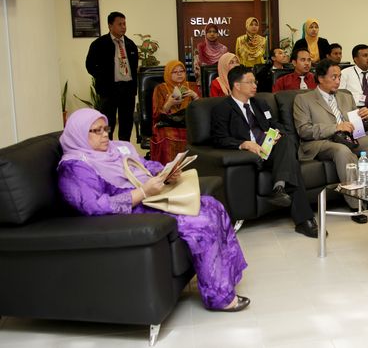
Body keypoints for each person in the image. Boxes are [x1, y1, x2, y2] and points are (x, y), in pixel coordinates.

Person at [57, 108, 250, 312]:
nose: (105, 134)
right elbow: (94, 206)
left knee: (212, 204)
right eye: (97, 130)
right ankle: (219, 297)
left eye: (106, 128)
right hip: (130, 211)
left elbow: (145, 165)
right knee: (201, 220)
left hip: (151, 198)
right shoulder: (74, 167)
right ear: (79, 133)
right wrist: (142, 192)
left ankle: (224, 281)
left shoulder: (118, 148)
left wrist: (165, 173)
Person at [210, 66, 320, 238]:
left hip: (270, 150)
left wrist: (277, 133)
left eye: (255, 82)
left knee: (286, 141)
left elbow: (275, 124)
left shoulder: (260, 104)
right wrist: (244, 144)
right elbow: (219, 138)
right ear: (237, 85)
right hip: (249, 155)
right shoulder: (222, 109)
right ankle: (304, 218)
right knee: (291, 163)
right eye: (250, 82)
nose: (255, 85)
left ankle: (280, 188)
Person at [293, 59, 368, 224]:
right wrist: (336, 127)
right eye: (333, 77)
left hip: (350, 138)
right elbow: (304, 130)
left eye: (339, 77)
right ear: (320, 78)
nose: (338, 81)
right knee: (341, 150)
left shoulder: (346, 96)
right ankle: (356, 203)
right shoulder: (303, 99)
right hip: (322, 141)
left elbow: (357, 127)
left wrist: (366, 118)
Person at [85, 11, 139, 141]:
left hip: (127, 90)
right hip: (109, 90)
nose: (123, 27)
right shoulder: (99, 44)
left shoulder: (130, 44)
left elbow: (134, 66)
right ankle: (106, 144)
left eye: (124, 24)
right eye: (120, 24)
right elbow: (90, 65)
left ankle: (124, 145)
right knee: (108, 121)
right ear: (110, 26)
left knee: (126, 121)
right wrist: (103, 78)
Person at [151, 60, 200, 164]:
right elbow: (156, 115)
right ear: (168, 74)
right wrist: (169, 103)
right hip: (168, 124)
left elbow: (202, 109)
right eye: (175, 72)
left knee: (198, 133)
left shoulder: (191, 86)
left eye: (182, 71)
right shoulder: (160, 89)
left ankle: (193, 167)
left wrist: (195, 96)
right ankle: (170, 169)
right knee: (167, 135)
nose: (179, 74)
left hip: (188, 122)